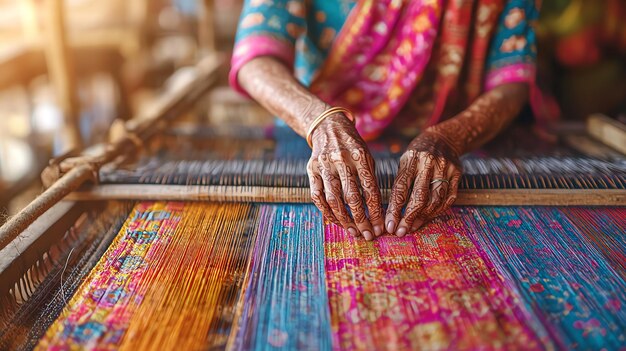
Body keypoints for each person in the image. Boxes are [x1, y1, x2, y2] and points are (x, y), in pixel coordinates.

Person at [230, 0, 538, 241]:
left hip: (450, 153)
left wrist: (450, 137)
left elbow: (512, 78)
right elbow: (255, 59)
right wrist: (320, 121)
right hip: (316, 144)